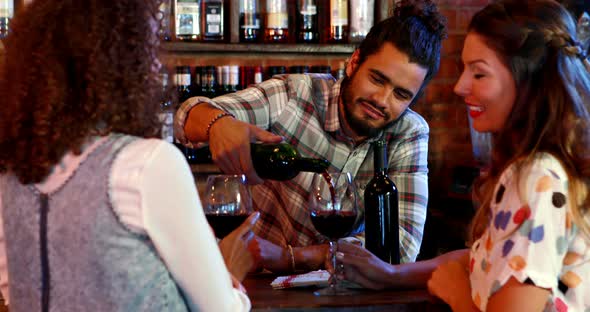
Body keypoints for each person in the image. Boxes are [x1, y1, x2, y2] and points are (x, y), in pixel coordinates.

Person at [0, 0, 256, 311]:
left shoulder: (12, 170)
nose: (156, 64)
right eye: (149, 48)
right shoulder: (148, 164)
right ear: (122, 62)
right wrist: (230, 273)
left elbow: (17, 293)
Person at [336, 0, 590, 311]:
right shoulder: (539, 167)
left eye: (479, 74)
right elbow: (489, 256)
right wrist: (391, 274)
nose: (460, 86)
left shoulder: (537, 178)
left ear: (527, 81)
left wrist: (459, 295)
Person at [174, 0, 448, 272]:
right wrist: (218, 123)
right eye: (377, 79)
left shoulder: (409, 132)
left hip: (347, 297)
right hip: (259, 288)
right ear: (353, 63)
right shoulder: (293, 96)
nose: (382, 100)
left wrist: (294, 257)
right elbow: (187, 114)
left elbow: (400, 247)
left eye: (400, 95)